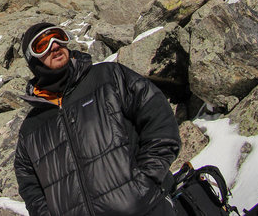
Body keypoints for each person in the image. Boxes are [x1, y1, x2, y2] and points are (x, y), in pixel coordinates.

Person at [13, 22, 181, 216]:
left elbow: (157, 114)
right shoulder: (32, 127)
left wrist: (147, 181)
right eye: (42, 44)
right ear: (32, 58)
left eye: (59, 36)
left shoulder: (108, 78)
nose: (55, 45)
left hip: (146, 209)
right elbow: (29, 184)